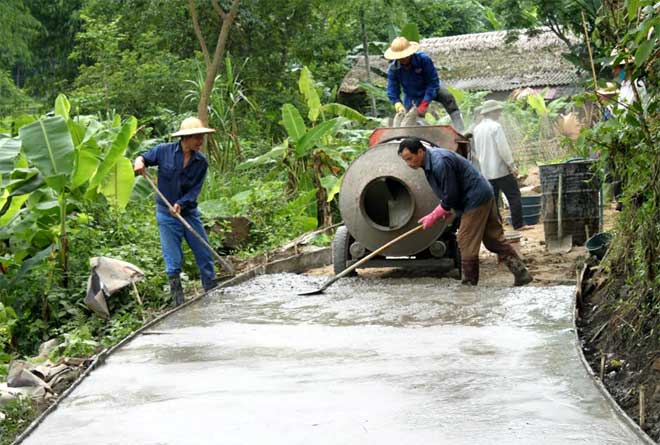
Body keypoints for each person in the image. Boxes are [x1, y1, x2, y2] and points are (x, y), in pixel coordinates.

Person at [397, 137, 532, 286]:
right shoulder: (431, 161)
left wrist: (437, 213)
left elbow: (452, 194)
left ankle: (469, 286)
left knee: (465, 241)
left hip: (475, 199)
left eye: (410, 159)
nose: (409, 164)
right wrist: (445, 208)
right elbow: (450, 191)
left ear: (420, 151)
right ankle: (522, 274)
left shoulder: (439, 162)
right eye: (406, 161)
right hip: (482, 193)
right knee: (494, 239)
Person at [133, 117, 218, 306]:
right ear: (185, 138)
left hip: (188, 213)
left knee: (203, 252)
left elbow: (194, 191)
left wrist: (180, 203)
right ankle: (178, 301)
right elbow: (143, 158)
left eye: (201, 137)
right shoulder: (164, 151)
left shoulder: (201, 163)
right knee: (173, 259)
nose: (200, 141)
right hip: (166, 214)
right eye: (197, 137)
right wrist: (139, 162)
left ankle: (212, 291)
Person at [472, 100, 530, 231]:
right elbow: (503, 149)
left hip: (486, 171)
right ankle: (518, 224)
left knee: (493, 201)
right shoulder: (495, 127)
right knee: (514, 195)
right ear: (491, 112)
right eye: (497, 111)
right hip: (500, 170)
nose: (499, 113)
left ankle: (498, 227)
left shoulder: (477, 129)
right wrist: (512, 166)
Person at [384, 36, 465, 131]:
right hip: (411, 96)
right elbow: (392, 88)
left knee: (447, 97)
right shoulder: (393, 68)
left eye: (404, 56)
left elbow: (433, 83)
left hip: (431, 89)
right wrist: (397, 103)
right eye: (399, 56)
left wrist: (425, 103)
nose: (402, 59)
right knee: (410, 119)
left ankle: (460, 129)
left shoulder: (423, 60)